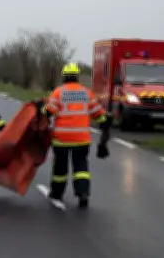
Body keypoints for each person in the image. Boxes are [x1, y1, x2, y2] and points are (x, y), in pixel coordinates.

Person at [39, 62, 111, 208]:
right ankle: (83, 193)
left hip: (62, 139)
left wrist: (41, 109)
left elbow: (48, 112)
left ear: (64, 77)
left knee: (60, 168)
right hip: (81, 139)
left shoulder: (58, 92)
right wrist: (105, 121)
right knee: (81, 167)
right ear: (77, 76)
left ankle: (57, 193)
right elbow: (98, 114)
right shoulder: (87, 93)